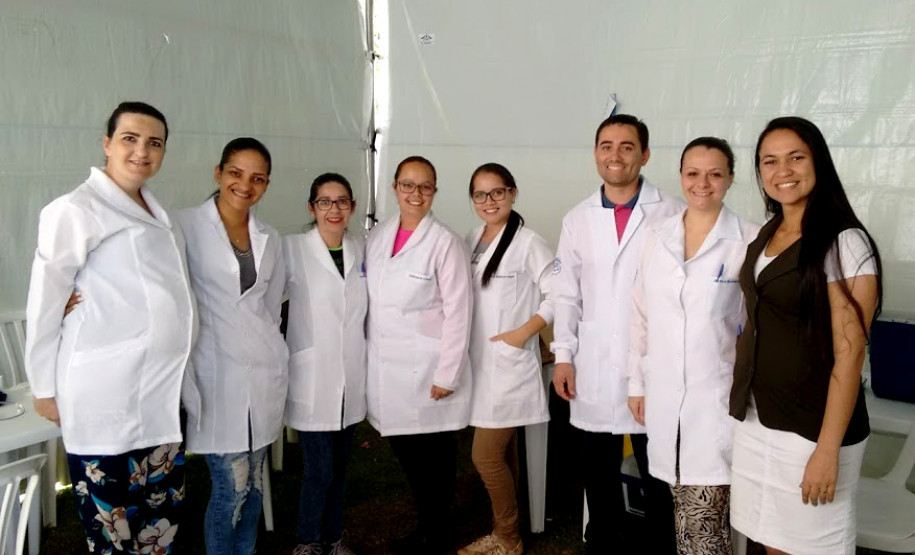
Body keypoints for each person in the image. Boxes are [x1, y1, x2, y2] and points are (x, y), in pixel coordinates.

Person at [25, 101, 195, 553]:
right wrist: (43, 387)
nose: (142, 151)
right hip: (105, 395)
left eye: (154, 143)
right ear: (107, 143)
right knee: (112, 530)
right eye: (129, 139)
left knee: (159, 521)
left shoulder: (160, 213)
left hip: (160, 394)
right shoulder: (75, 209)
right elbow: (45, 301)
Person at [729, 117, 882, 555]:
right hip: (759, 419)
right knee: (769, 542)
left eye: (796, 157)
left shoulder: (844, 242)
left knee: (811, 546)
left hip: (812, 430)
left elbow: (849, 355)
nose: (783, 171)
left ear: (819, 162)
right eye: (770, 161)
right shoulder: (768, 233)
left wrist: (827, 450)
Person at [550, 114, 681, 553]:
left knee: (657, 470)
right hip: (593, 365)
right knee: (597, 469)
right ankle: (601, 541)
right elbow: (566, 294)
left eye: (627, 146)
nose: (615, 155)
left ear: (645, 154)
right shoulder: (577, 218)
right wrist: (563, 356)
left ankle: (662, 547)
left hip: (653, 365)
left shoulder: (672, 212)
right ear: (595, 154)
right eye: (606, 146)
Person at [627, 138, 760, 554]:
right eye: (693, 173)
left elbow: (758, 326)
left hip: (716, 403)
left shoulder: (749, 240)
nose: (703, 183)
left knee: (704, 523)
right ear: (681, 176)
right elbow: (641, 315)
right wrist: (636, 383)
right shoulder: (656, 235)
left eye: (715, 174)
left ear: (731, 178)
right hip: (664, 399)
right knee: (680, 514)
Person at [176, 137, 288, 555]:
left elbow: (270, 307)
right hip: (214, 373)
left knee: (255, 483)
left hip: (263, 370)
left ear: (267, 184)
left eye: (257, 178)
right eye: (236, 173)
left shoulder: (269, 236)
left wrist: (274, 352)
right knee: (230, 487)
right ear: (218, 173)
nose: (245, 185)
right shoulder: (184, 226)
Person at [365, 156, 473, 555]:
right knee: (409, 457)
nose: (415, 193)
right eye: (407, 185)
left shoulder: (445, 242)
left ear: (434, 192)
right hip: (389, 370)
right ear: (394, 187)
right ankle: (427, 526)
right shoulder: (379, 236)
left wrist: (448, 374)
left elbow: (460, 312)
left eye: (425, 186)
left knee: (435, 462)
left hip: (429, 371)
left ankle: (436, 534)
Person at [458, 163, 553, 555]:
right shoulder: (470, 238)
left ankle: (508, 538)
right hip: (479, 362)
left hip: (508, 363)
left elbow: (560, 293)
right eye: (480, 194)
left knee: (485, 456)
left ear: (512, 193)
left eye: (497, 192)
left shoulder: (529, 243)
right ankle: (510, 530)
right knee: (503, 453)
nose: (489, 201)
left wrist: (523, 333)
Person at [285, 173, 366, 555]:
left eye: (341, 201)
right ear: (311, 207)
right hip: (313, 379)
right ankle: (307, 541)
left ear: (352, 206)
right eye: (324, 202)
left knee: (339, 470)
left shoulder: (361, 249)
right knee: (319, 471)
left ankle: (334, 539)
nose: (334, 209)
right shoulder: (292, 249)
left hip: (351, 377)